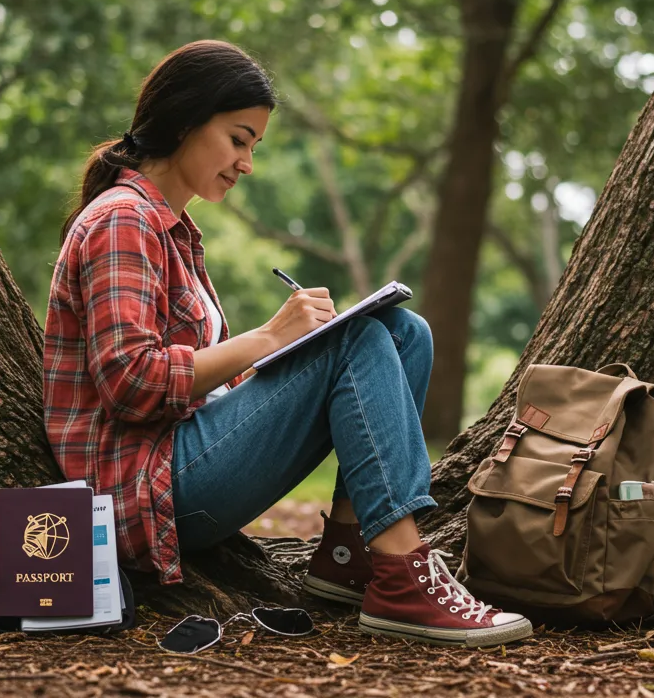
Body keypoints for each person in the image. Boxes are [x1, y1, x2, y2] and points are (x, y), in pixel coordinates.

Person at [42, 40, 530, 647]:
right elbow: (130, 383)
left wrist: (272, 367)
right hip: (145, 491)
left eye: (254, 147)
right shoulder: (124, 220)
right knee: (355, 343)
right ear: (187, 121)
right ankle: (403, 575)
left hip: (178, 458)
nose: (247, 163)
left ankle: (349, 557)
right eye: (238, 138)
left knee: (404, 333)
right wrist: (270, 338)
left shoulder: (170, 229)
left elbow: (186, 378)